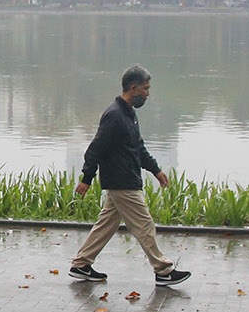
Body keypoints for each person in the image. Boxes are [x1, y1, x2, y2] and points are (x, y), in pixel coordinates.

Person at [70, 65, 190, 287]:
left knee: (106, 224)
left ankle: (81, 264)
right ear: (133, 88)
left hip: (124, 179)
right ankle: (163, 270)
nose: (148, 93)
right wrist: (87, 178)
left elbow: (138, 148)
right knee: (144, 225)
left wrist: (155, 170)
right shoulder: (114, 116)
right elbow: (95, 149)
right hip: (122, 182)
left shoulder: (128, 114)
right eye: (145, 88)